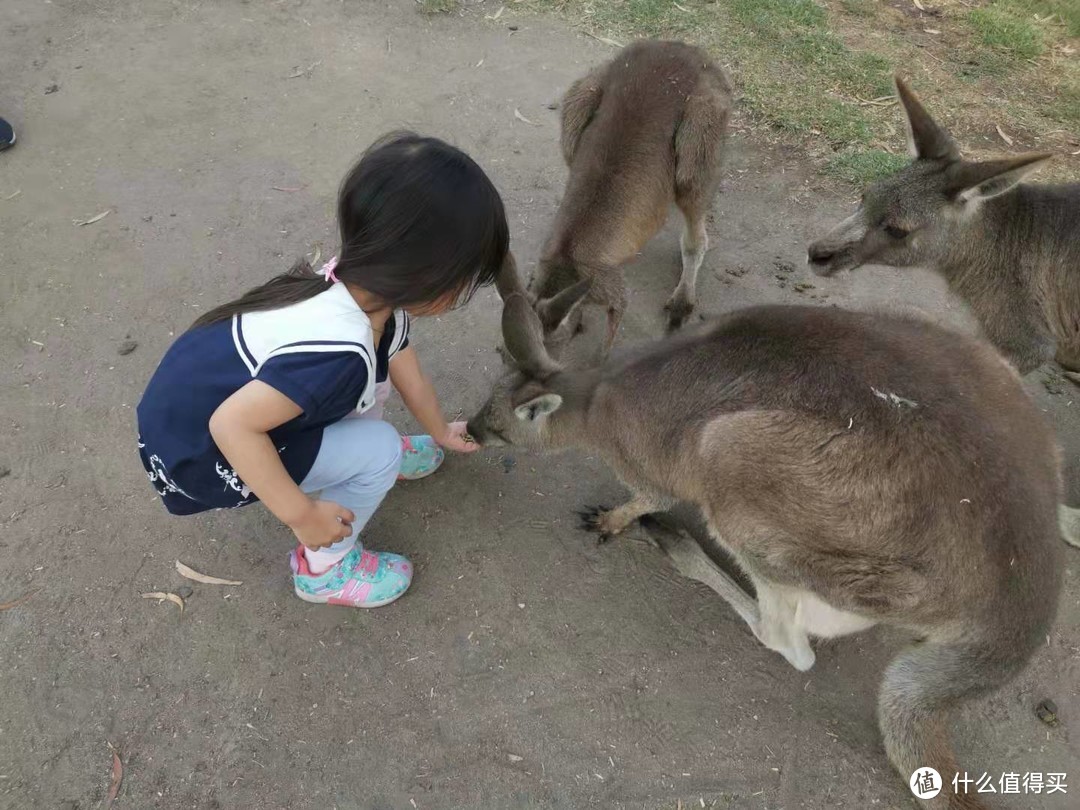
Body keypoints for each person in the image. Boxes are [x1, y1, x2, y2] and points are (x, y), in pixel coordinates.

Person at [136, 132, 507, 608]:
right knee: (376, 452)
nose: (461, 293)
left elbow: (398, 359)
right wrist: (302, 514)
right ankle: (326, 571)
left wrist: (439, 431)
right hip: (202, 456)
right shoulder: (340, 352)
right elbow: (231, 425)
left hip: (192, 413)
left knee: (372, 384)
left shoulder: (355, 287)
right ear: (430, 277)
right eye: (464, 280)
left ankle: (351, 463)